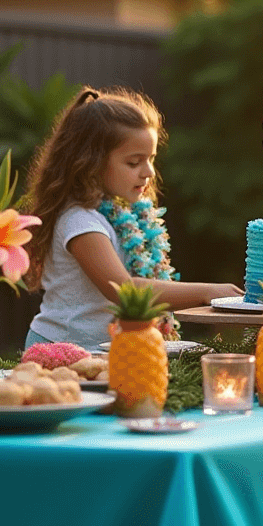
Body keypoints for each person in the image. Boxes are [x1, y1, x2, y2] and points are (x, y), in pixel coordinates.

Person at [23, 88, 238, 347]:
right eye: (134, 162)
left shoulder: (123, 214)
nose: (148, 171)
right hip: (64, 351)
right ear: (90, 162)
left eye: (151, 159)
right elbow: (124, 291)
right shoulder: (79, 221)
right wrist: (207, 292)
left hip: (111, 351)